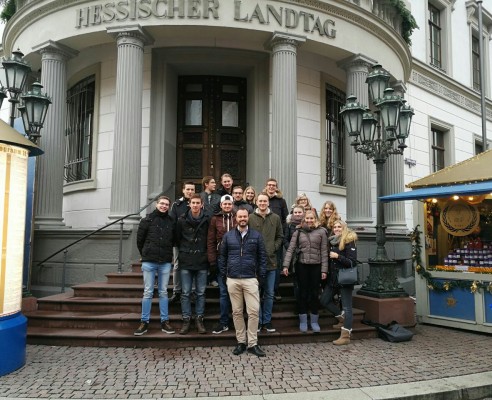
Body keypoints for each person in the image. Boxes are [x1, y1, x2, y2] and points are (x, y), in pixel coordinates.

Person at [218, 208, 267, 357]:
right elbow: (222, 257)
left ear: (248, 218)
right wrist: (224, 274)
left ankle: (252, 343)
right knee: (237, 312)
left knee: (253, 312)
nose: (243, 218)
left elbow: (262, 258)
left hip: (250, 278)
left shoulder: (257, 236)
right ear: (236, 218)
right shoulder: (228, 236)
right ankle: (241, 342)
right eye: (240, 216)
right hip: (233, 279)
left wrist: (260, 276)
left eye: (245, 216)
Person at [134, 195, 176, 336]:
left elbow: (173, 240)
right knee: (148, 292)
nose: (164, 206)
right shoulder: (146, 220)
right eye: (162, 203)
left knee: (163, 292)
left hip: (164, 262)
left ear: (168, 207)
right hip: (149, 261)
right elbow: (140, 241)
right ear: (156, 204)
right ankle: (144, 322)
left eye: (166, 204)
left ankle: (165, 321)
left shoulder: (171, 221)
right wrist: (145, 253)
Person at [282, 210, 328, 333]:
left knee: (314, 293)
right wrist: (286, 266)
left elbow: (324, 252)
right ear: (304, 220)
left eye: (311, 218)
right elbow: (290, 249)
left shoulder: (322, 232)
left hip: (316, 266)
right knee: (302, 293)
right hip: (301, 265)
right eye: (307, 218)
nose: (309, 220)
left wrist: (324, 270)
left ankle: (314, 320)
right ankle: (303, 320)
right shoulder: (298, 232)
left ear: (315, 219)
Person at [248, 193, 283, 333]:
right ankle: (258, 321)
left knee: (269, 293)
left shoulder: (275, 218)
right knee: (255, 294)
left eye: (265, 201)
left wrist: (273, 247)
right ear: (256, 202)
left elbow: (280, 236)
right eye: (260, 201)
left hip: (271, 262)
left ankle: (267, 321)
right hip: (254, 263)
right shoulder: (250, 217)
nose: (262, 203)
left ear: (268, 203)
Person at [175, 194, 210, 334]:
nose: (195, 205)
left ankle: (199, 318)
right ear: (189, 204)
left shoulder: (207, 219)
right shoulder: (181, 220)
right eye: (193, 203)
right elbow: (177, 239)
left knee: (201, 292)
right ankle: (186, 319)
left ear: (202, 205)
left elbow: (209, 238)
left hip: (201, 259)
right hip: (186, 259)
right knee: (185, 293)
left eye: (197, 203)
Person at [322, 220, 358, 345]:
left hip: (345, 278)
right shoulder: (332, 241)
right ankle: (342, 319)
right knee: (324, 300)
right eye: (335, 227)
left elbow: (352, 262)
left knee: (347, 307)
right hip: (334, 279)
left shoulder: (349, 241)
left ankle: (346, 334)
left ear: (344, 228)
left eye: (339, 227)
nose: (337, 229)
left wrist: (338, 256)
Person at [207, 194, 235, 334]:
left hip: (237, 259)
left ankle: (237, 321)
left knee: (236, 292)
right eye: (225, 204)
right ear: (221, 205)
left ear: (232, 205)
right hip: (221, 259)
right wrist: (212, 260)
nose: (227, 206)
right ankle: (224, 322)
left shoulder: (238, 217)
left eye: (229, 204)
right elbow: (211, 241)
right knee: (224, 292)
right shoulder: (215, 219)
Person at [169, 181, 196, 304]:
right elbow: (172, 223)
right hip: (179, 241)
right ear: (183, 190)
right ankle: (177, 291)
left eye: (192, 190)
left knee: (195, 266)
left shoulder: (198, 203)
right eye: (188, 189)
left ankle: (193, 291)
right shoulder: (177, 205)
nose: (190, 192)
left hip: (194, 242)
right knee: (177, 266)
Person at [263, 178, 289, 301]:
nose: (271, 187)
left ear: (276, 187)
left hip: (276, 239)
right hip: (263, 238)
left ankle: (275, 288)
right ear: (266, 186)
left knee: (276, 264)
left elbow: (285, 219)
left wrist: (280, 234)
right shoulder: (262, 198)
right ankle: (264, 289)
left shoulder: (281, 201)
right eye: (269, 185)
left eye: (274, 185)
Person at [283, 205, 305, 313]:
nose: (297, 214)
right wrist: (293, 250)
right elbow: (285, 240)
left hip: (306, 256)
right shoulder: (288, 226)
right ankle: (299, 305)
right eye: (295, 212)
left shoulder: (307, 224)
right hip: (294, 257)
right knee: (296, 283)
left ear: (303, 213)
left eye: (299, 212)